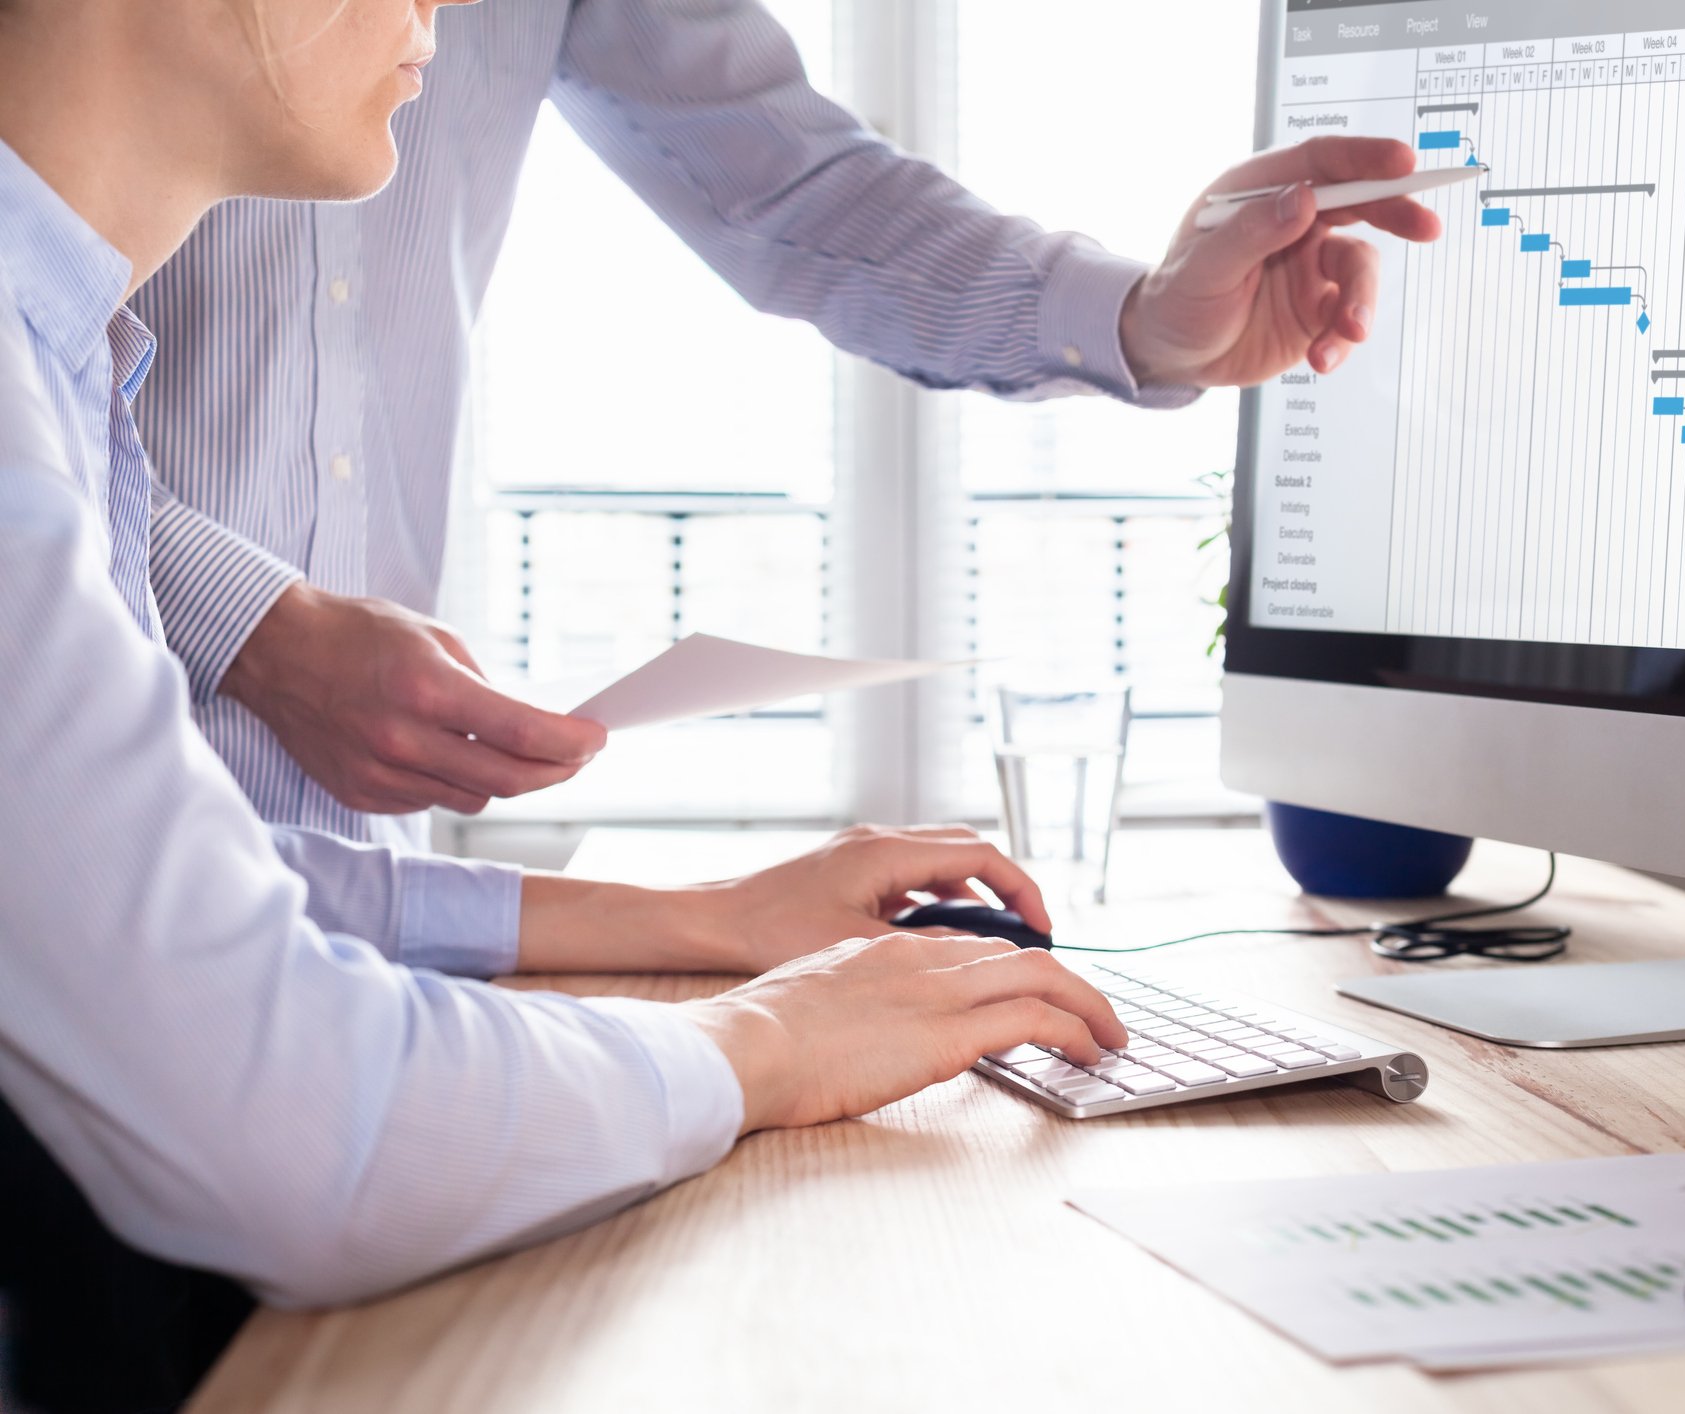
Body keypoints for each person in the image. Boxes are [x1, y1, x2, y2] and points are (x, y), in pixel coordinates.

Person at [0, 2, 1130, 1406]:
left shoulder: (63, 363)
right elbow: (296, 1122)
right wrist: (766, 1040)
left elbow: (141, 891)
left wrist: (697, 923)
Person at [134, 0, 1441, 845]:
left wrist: (1146, 320)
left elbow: (789, 188)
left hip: (356, 853)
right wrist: (246, 623)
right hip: (73, 790)